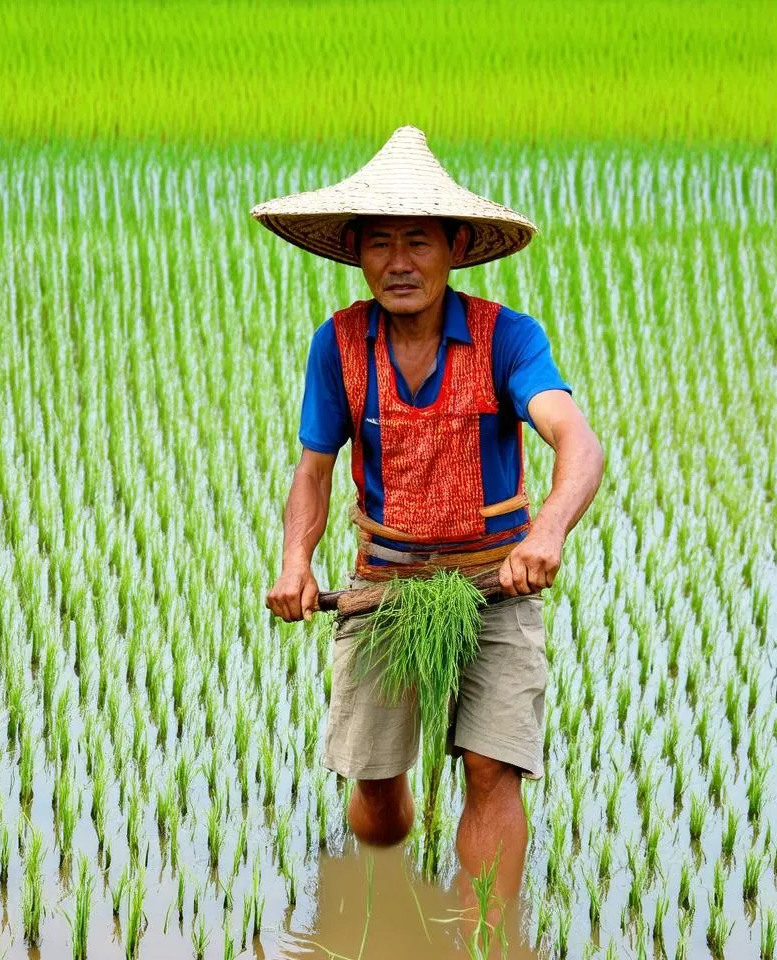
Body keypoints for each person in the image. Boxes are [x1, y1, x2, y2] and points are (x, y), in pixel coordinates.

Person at [252, 125, 604, 900]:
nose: (400, 262)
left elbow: (577, 442)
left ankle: (483, 955)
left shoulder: (507, 338)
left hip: (496, 582)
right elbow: (314, 471)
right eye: (380, 243)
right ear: (355, 251)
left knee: (491, 764)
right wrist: (294, 562)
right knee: (379, 806)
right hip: (385, 581)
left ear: (457, 246)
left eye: (419, 241)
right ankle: (386, 873)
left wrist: (546, 533)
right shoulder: (339, 344)